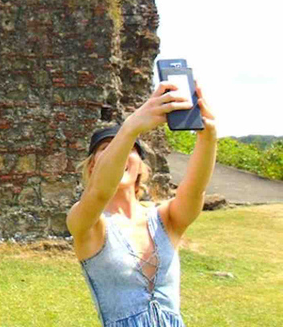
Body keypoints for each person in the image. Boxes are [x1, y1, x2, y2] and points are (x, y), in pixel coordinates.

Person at [67, 81, 217, 326]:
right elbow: (99, 193)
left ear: (141, 167)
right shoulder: (89, 223)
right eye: (107, 148)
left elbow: (195, 191)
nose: (121, 152)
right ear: (93, 166)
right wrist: (130, 130)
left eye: (130, 149)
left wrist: (208, 137)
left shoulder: (166, 219)